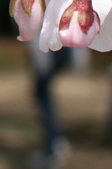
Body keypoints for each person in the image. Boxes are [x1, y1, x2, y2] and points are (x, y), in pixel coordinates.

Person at [26, 41, 88, 169]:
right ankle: (55, 140)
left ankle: (54, 143)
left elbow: (36, 30)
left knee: (42, 94)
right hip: (57, 49)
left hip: (49, 49)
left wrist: (40, 55)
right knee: (42, 93)